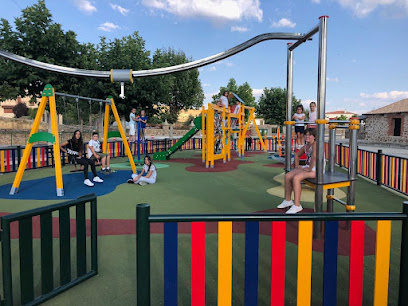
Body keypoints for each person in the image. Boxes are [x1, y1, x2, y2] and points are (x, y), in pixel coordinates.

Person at [277, 128, 317, 214]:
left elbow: (314, 157)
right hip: (308, 166)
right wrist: (297, 166)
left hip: (316, 169)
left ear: (314, 137)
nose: (307, 136)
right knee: (288, 176)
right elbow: (296, 155)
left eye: (309, 135)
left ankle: (297, 205)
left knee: (296, 178)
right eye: (306, 134)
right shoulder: (306, 146)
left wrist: (309, 169)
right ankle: (288, 200)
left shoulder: (315, 144)